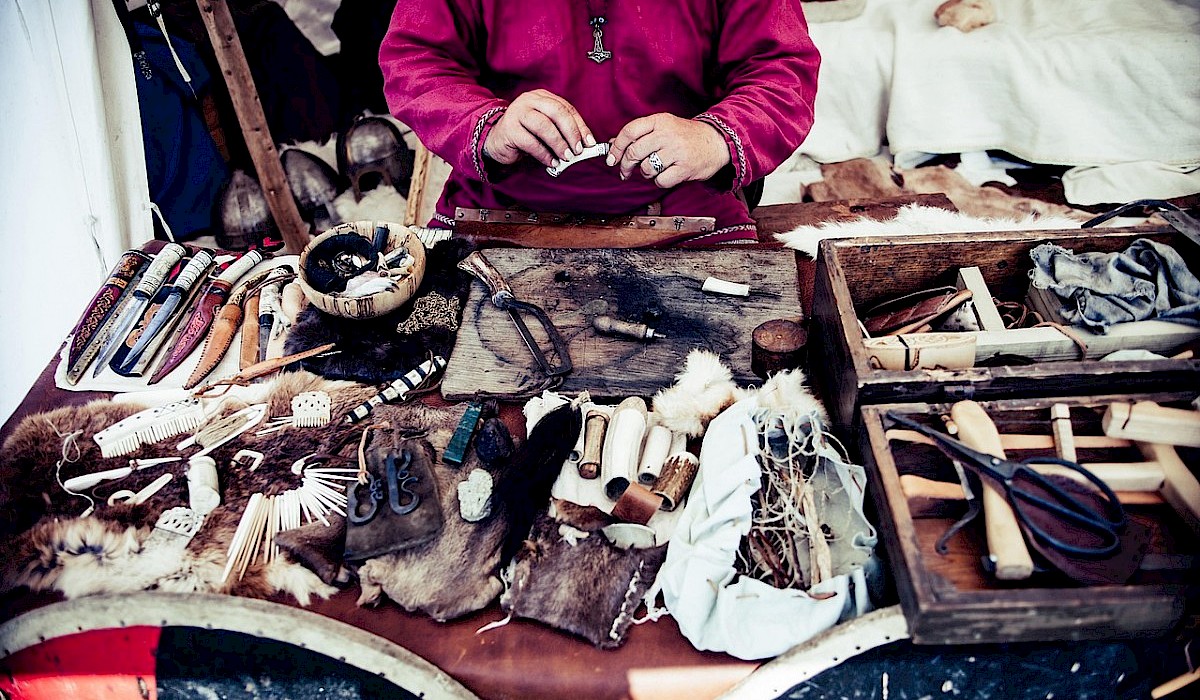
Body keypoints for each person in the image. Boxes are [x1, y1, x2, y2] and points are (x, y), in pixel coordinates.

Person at [378, 0, 819, 245]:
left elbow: (781, 69)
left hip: (684, 207)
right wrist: (488, 125)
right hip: (500, 207)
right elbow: (416, 60)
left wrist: (713, 138)